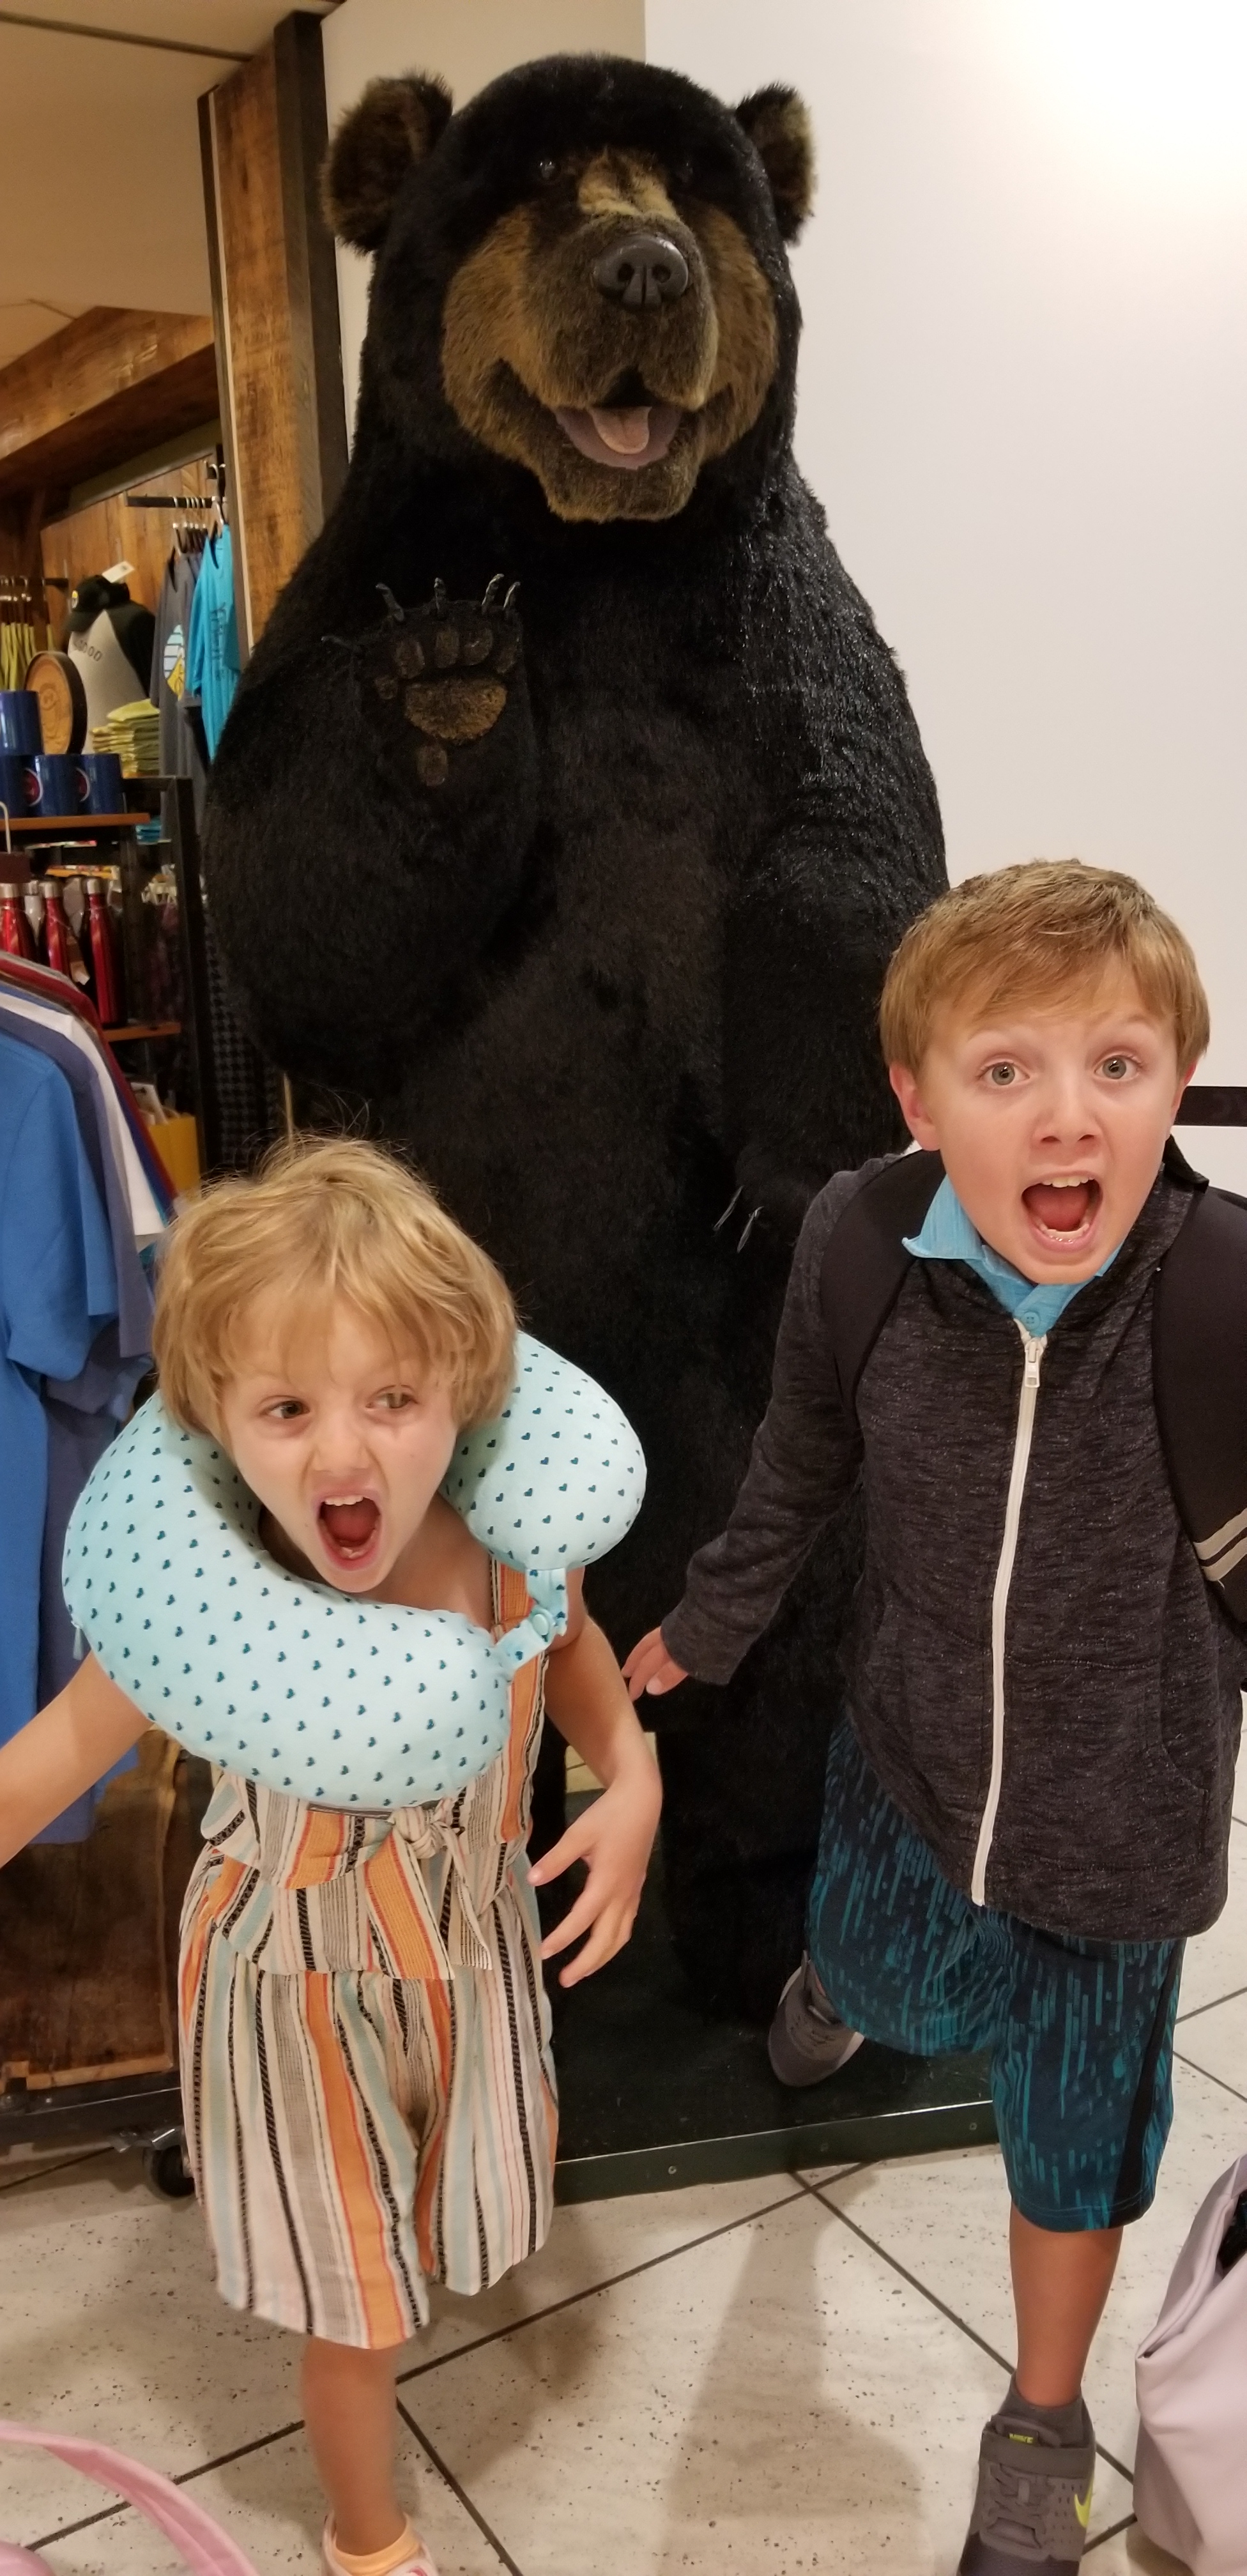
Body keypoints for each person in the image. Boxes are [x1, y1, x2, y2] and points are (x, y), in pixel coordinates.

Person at [625, 860, 1246, 2576]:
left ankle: (1042, 2421)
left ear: (1175, 1080)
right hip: (911, 1766)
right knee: (890, 1978)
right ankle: (841, 1984)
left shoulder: (1220, 1293)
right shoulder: (861, 1246)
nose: (1068, 1117)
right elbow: (800, 1465)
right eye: (1006, 1070)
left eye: (1116, 1065)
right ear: (916, 1099)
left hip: (1127, 1836)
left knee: (1073, 2145)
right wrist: (709, 1621)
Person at [0, 1137, 662, 2576]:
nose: (343, 1455)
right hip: (286, 1994)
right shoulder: (205, 1606)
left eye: (393, 1399)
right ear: (216, 1418)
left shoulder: (514, 1547)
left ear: (462, 1395)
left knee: (464, 2208)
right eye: (288, 1407)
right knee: (353, 2311)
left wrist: (637, 1779)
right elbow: (44, 1764)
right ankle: (368, 2541)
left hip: (472, 1961)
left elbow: (578, 1659)